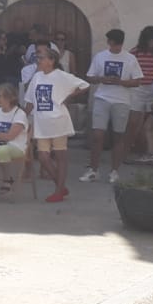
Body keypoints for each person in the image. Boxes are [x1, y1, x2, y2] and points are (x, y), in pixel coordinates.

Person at [80, 29, 145, 184]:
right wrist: (102, 79)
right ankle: (93, 170)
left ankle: (114, 171)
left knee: (118, 136)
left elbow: (137, 81)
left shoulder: (130, 59)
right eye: (113, 44)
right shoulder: (100, 57)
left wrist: (120, 82)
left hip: (122, 100)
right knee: (97, 136)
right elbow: (89, 77)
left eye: (118, 45)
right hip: (102, 98)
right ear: (109, 42)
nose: (115, 47)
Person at [25, 47, 90, 203]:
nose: (38, 61)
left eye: (41, 58)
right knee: (43, 157)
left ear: (51, 61)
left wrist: (67, 97)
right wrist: (23, 117)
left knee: (60, 156)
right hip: (41, 123)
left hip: (58, 121)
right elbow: (30, 101)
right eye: (37, 58)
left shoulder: (61, 76)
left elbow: (85, 85)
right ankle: (60, 186)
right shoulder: (36, 77)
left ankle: (58, 191)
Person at [127, 27, 153, 164]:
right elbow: (127, 67)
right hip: (138, 90)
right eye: (149, 40)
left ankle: (151, 152)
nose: (151, 43)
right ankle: (129, 149)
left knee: (151, 124)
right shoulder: (135, 52)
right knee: (133, 122)